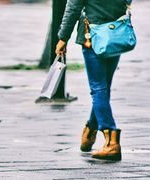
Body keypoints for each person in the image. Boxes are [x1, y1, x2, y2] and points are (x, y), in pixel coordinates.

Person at [56, 0, 131, 161]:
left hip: (93, 35)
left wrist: (63, 38)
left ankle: (111, 142)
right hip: (115, 32)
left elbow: (73, 7)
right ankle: (90, 130)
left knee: (98, 88)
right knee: (104, 87)